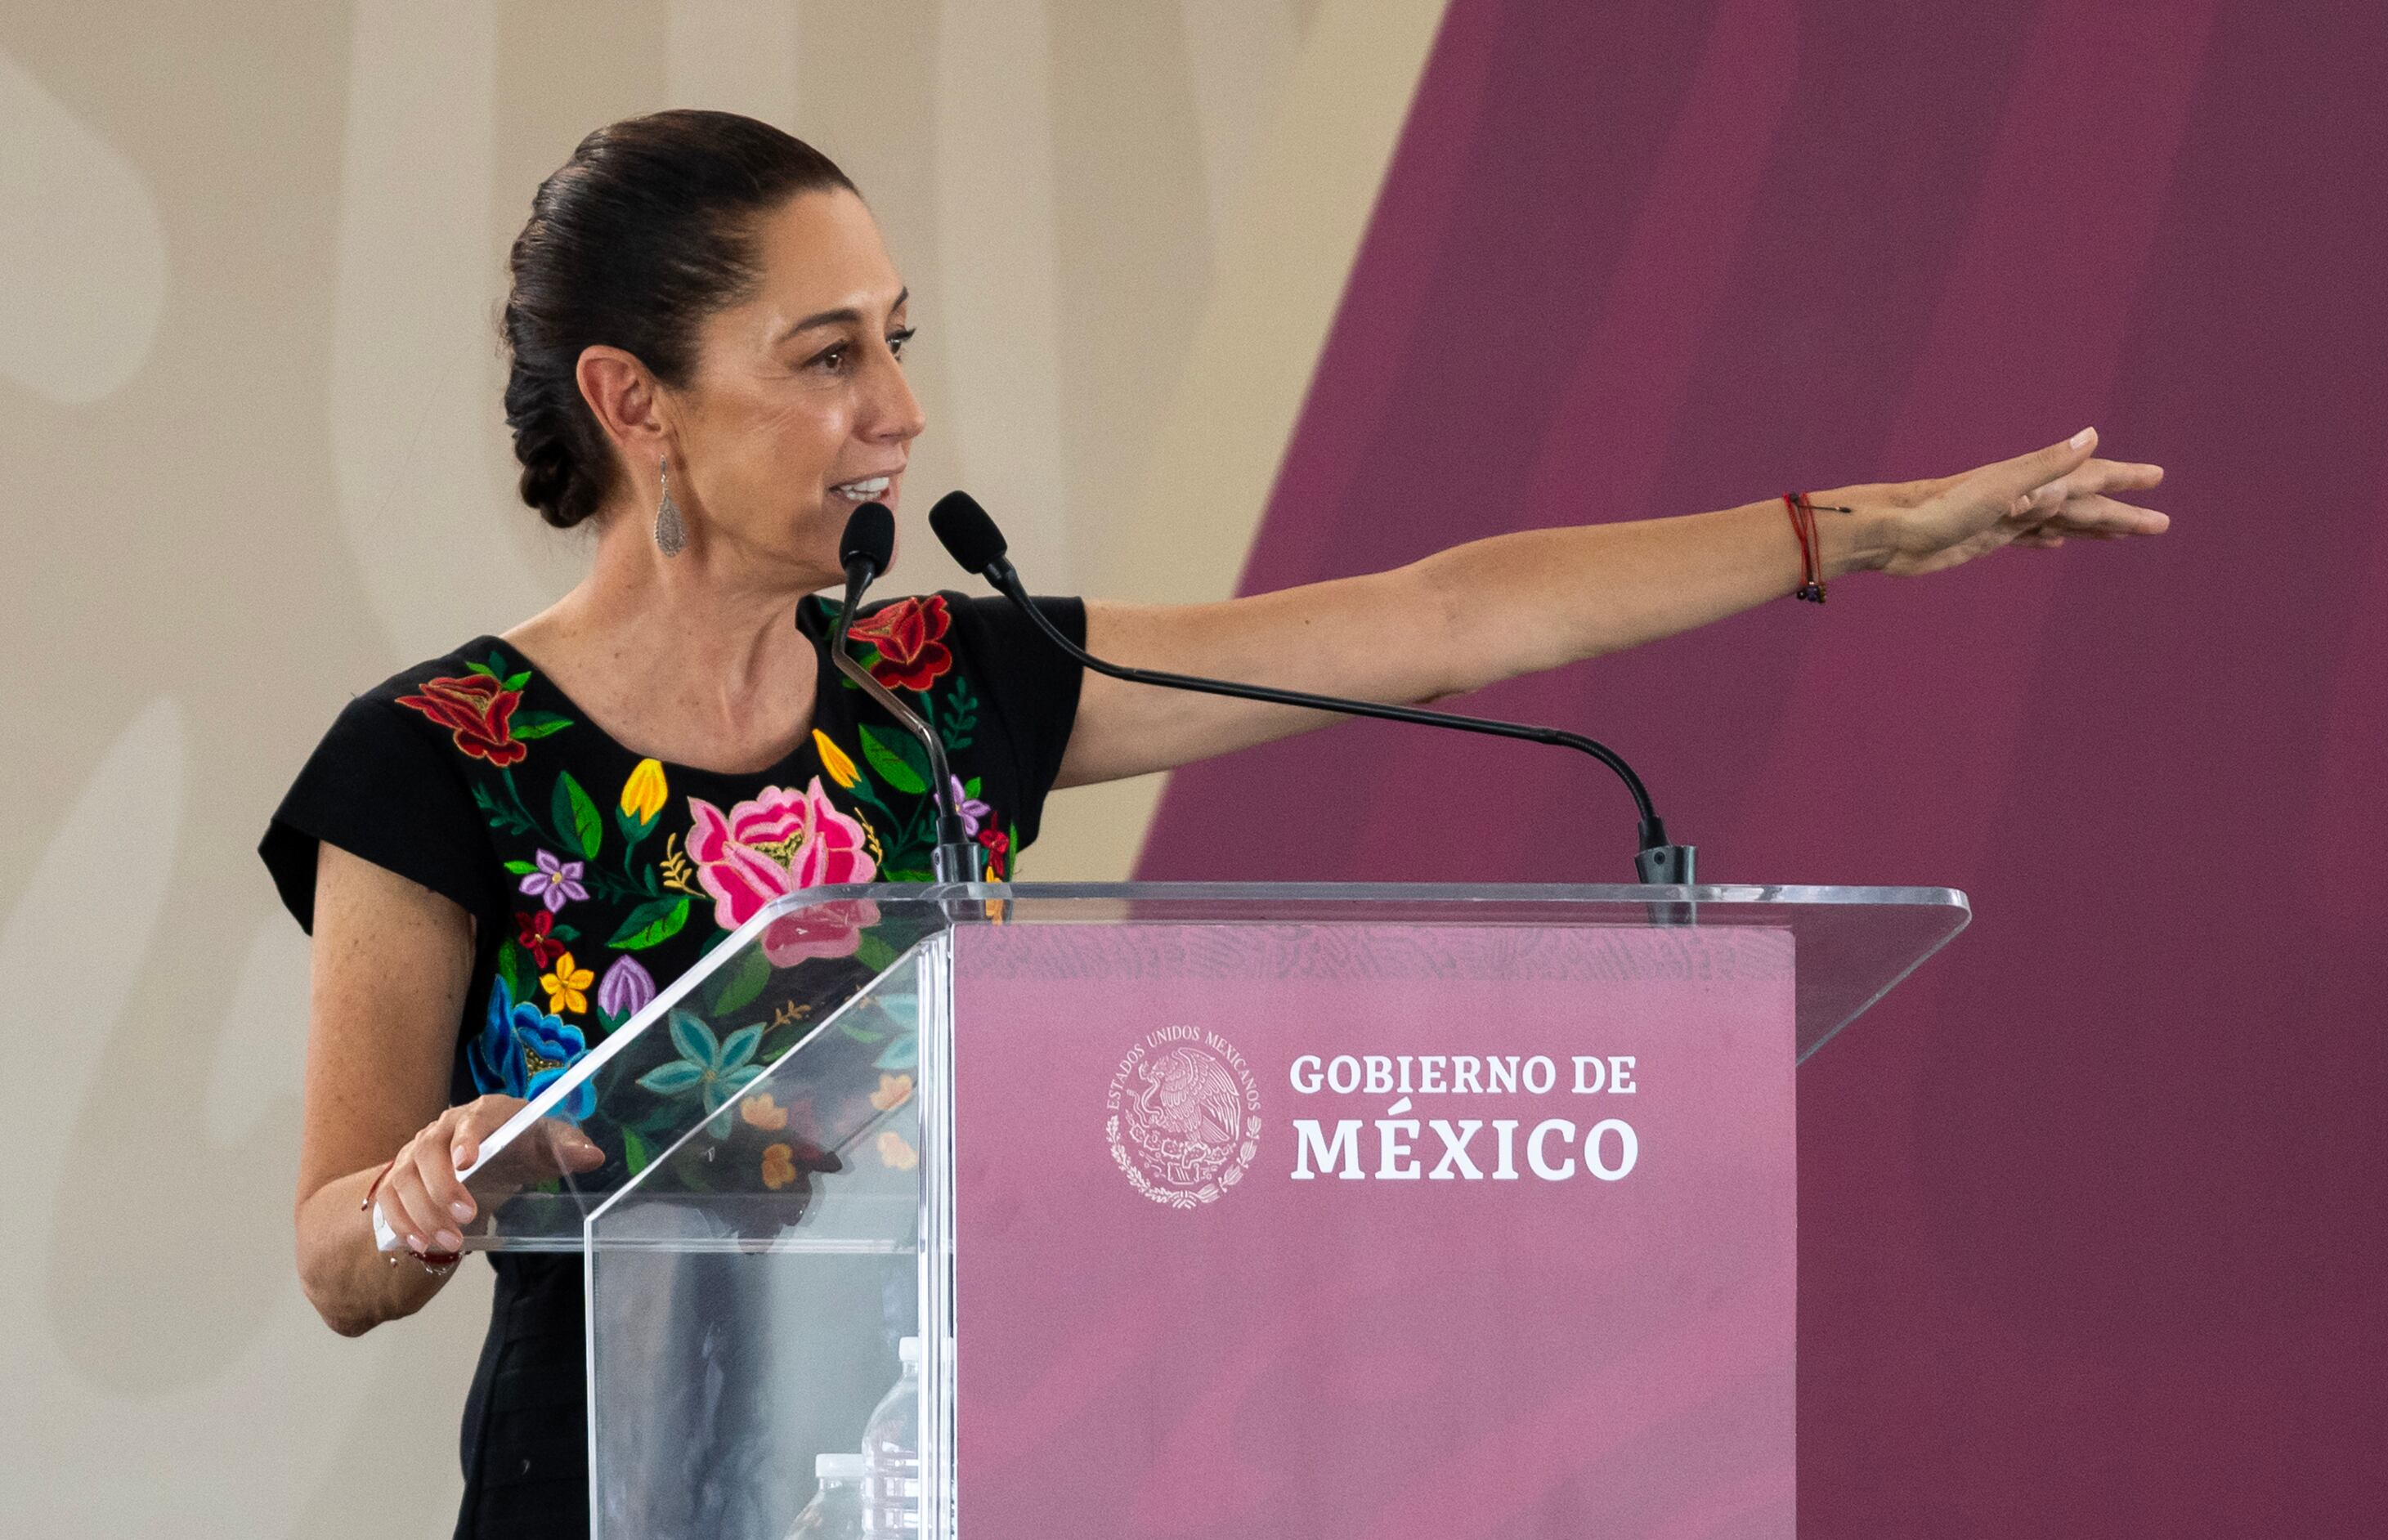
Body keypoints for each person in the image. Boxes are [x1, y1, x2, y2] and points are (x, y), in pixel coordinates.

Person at [261, 110, 2165, 1538]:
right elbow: (339, 1255)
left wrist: (1851, 532)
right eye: (827, 356)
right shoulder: (444, 755)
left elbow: (1434, 620)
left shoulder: (946, 689)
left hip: (968, 1458)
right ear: (634, 402)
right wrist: (430, 1195)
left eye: (898, 340)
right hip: (617, 1476)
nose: (898, 410)